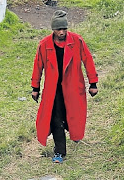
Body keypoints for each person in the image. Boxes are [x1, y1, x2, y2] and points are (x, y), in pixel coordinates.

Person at [31, 10, 98, 164]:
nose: (61, 32)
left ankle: (74, 134)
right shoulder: (44, 45)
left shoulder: (77, 41)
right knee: (56, 119)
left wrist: (93, 83)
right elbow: (38, 67)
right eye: (58, 29)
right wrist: (35, 88)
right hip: (53, 91)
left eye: (64, 29)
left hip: (73, 88)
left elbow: (88, 60)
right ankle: (60, 151)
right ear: (53, 29)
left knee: (73, 115)